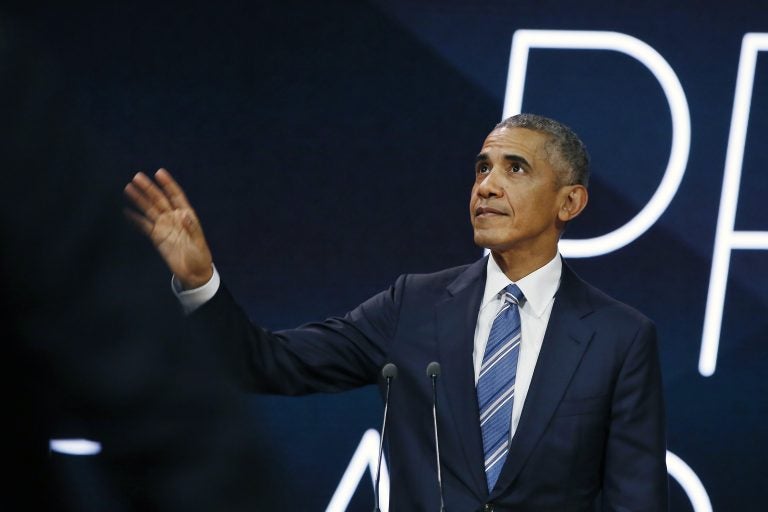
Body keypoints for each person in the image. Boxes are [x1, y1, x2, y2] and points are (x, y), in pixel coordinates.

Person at [125, 113, 668, 511]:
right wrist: (199, 284)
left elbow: (637, 501)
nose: (487, 186)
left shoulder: (619, 337)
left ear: (568, 203)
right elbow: (265, 362)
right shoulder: (414, 305)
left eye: (515, 168)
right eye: (481, 168)